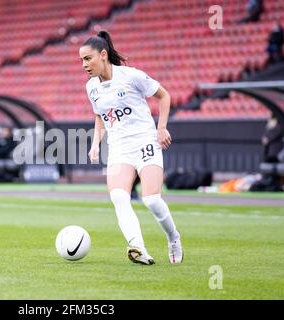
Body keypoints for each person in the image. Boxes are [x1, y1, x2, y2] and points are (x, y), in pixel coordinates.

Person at [80, 30, 183, 265]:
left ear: (103, 55)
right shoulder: (91, 88)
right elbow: (100, 116)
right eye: (81, 61)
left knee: (152, 200)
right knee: (118, 196)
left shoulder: (131, 76)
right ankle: (137, 246)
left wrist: (162, 127)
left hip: (145, 142)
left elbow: (164, 96)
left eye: (88, 58)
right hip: (119, 148)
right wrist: (95, 143)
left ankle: (173, 237)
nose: (84, 65)